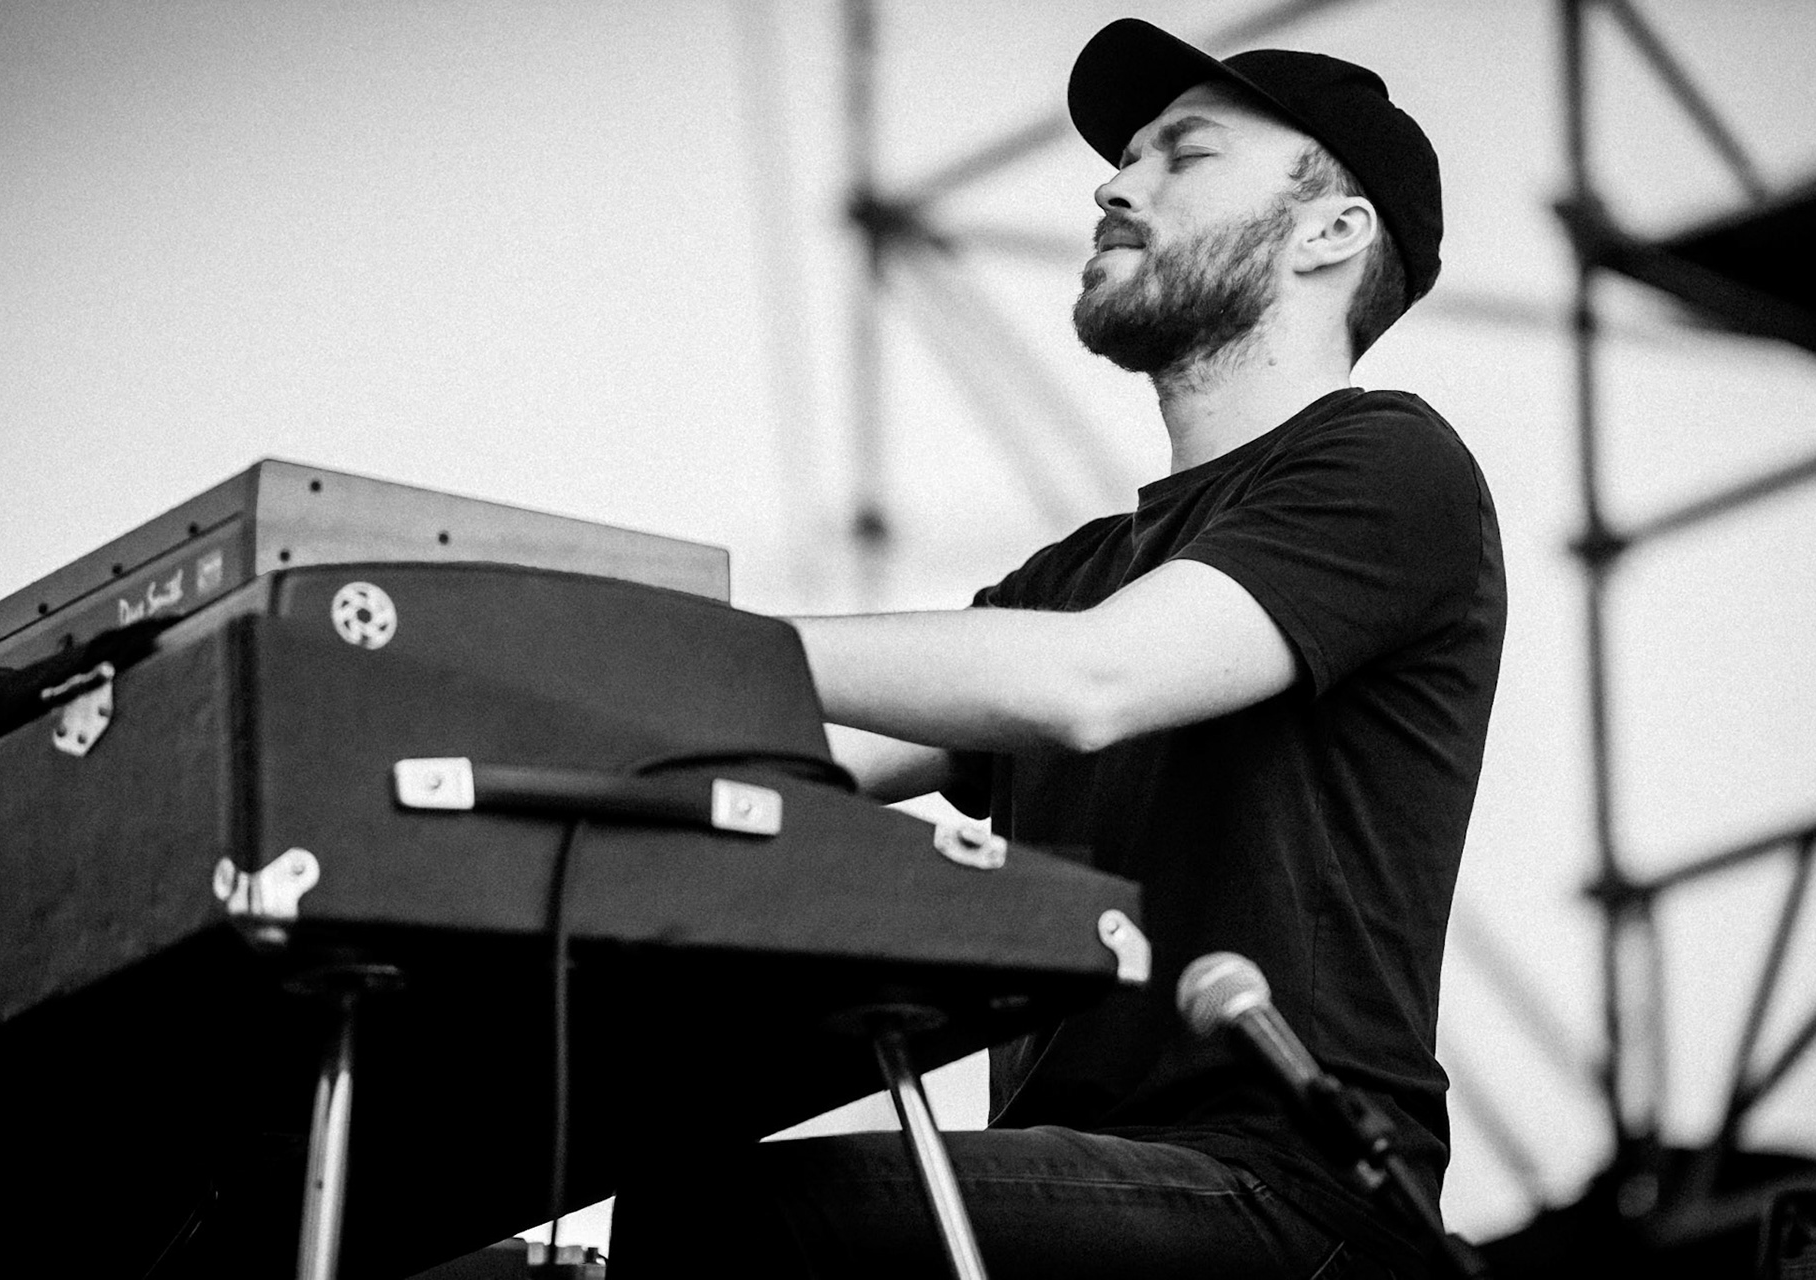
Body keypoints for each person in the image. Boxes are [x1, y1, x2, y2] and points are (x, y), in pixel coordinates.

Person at [609, 17, 1503, 1278]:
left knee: (741, 1222)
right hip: (1080, 1176)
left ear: (1330, 232)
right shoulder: (1067, 580)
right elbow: (787, 746)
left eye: (1181, 156)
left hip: (1282, 1195)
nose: (1112, 184)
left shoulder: (1390, 464)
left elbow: (1092, 682)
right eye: (1123, 157)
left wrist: (654, 642)